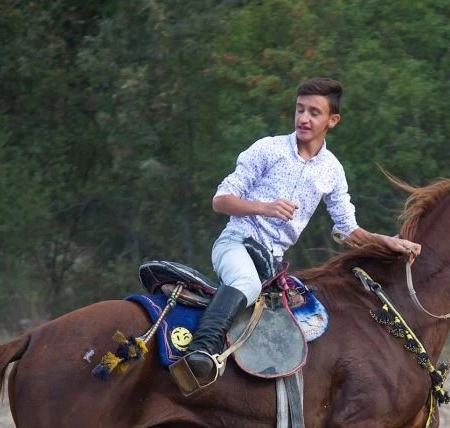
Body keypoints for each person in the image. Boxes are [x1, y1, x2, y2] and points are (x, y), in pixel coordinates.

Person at [173, 76, 421, 386]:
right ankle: (199, 353)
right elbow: (220, 200)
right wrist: (265, 207)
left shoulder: (332, 170)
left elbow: (346, 231)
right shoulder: (267, 149)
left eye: (314, 112)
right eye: (300, 109)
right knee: (246, 282)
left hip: (274, 266)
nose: (304, 118)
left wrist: (384, 241)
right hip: (235, 244)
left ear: (333, 120)